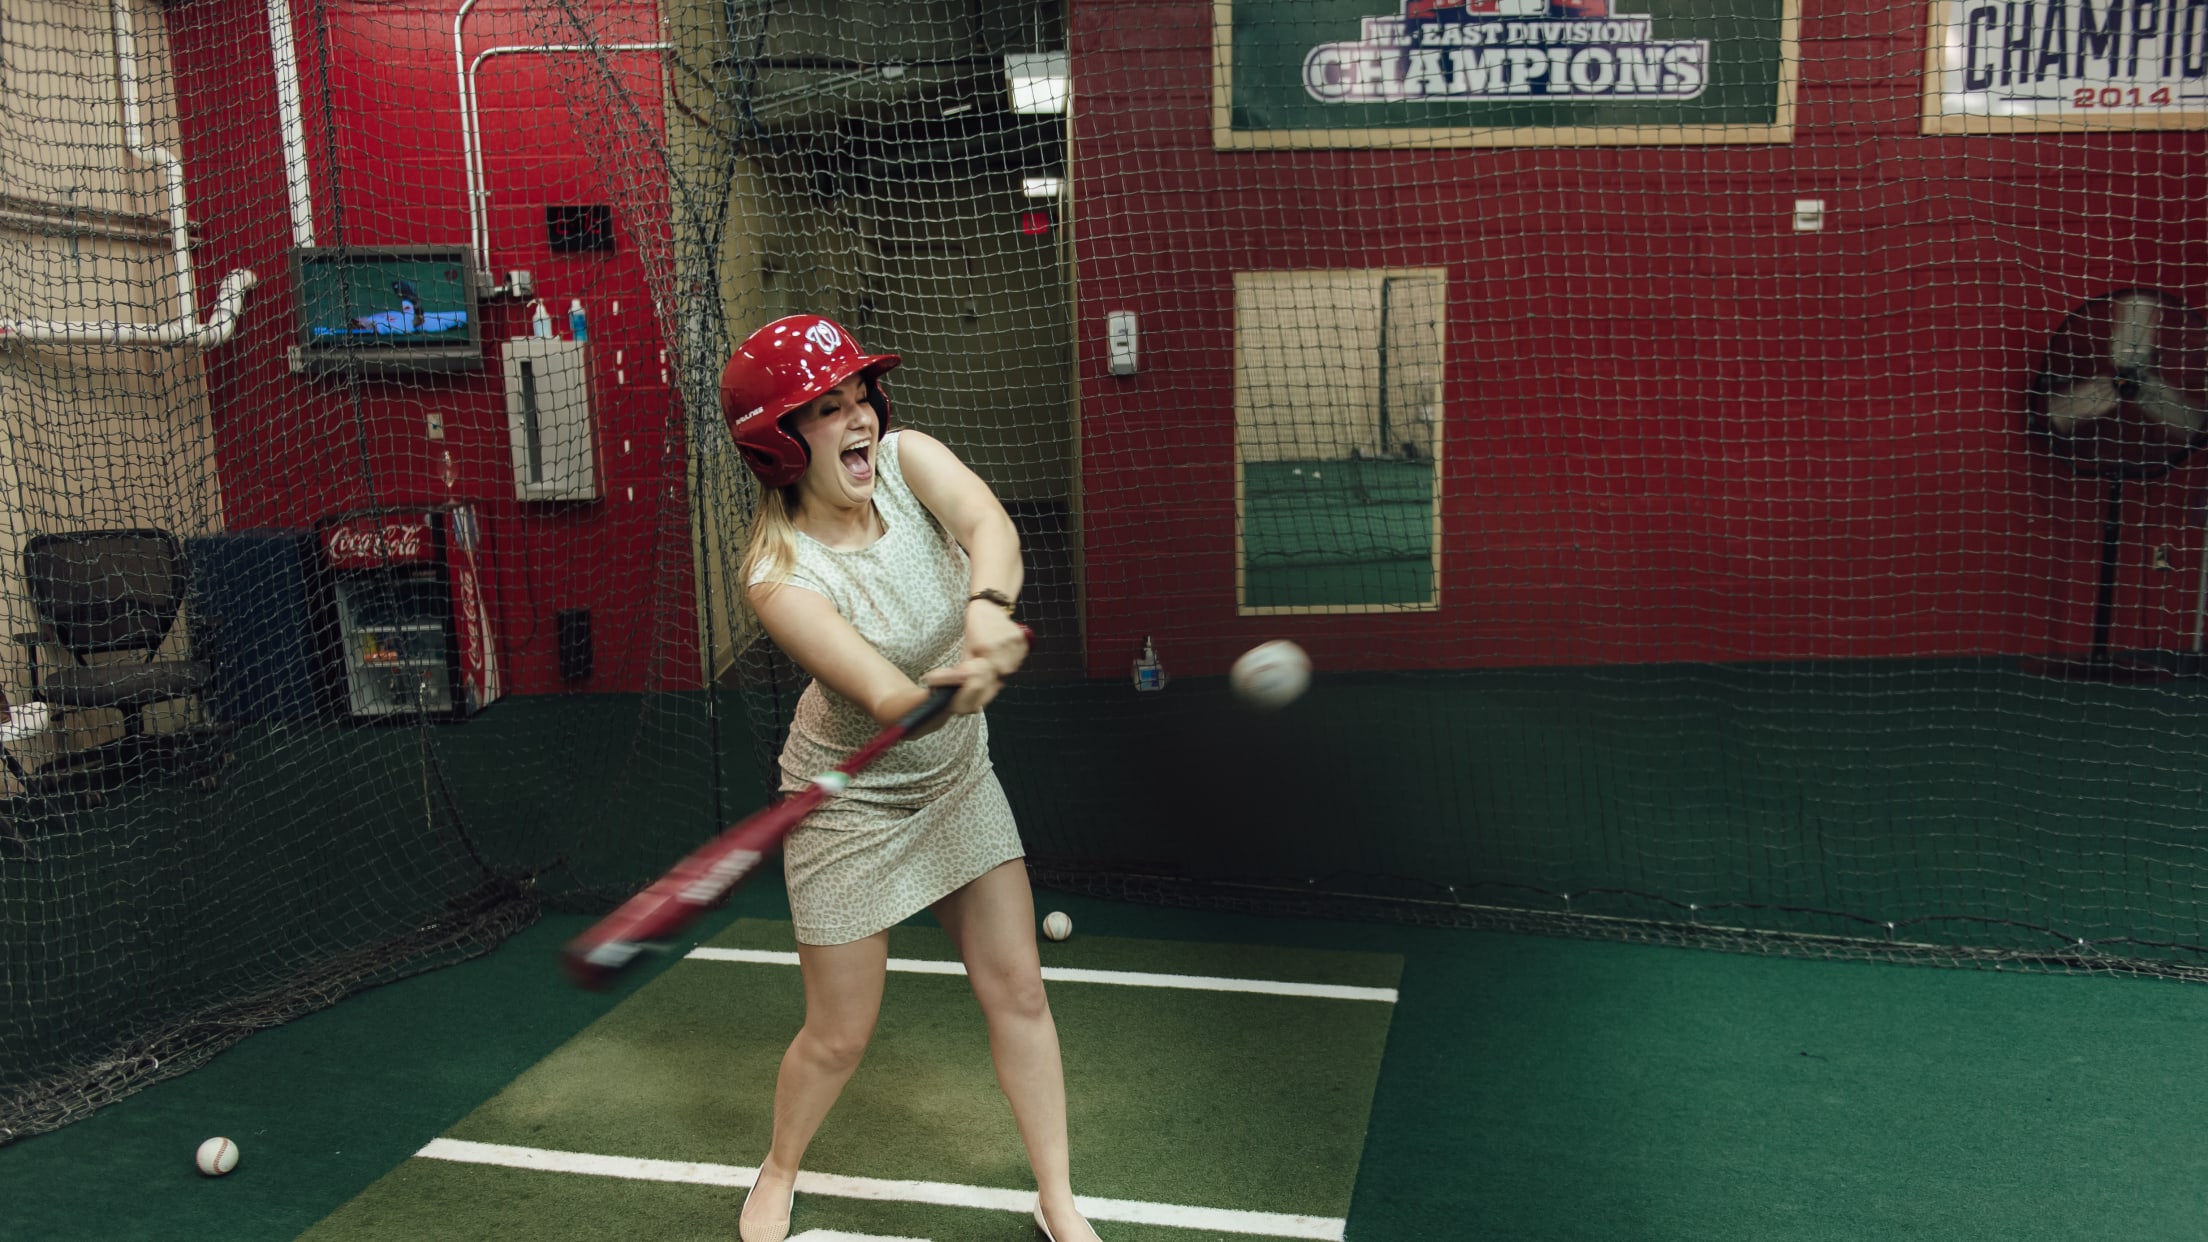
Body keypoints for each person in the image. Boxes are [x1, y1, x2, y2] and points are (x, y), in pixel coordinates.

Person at [721, 314, 1103, 1242]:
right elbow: (890, 699)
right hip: (850, 803)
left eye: (860, 398)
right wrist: (963, 685)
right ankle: (779, 1166)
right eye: (825, 408)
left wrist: (987, 611)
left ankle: (1057, 1198)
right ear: (778, 443)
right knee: (841, 1034)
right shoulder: (780, 573)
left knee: (1018, 988)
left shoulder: (908, 457)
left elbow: (987, 526)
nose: (858, 420)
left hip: (956, 782)